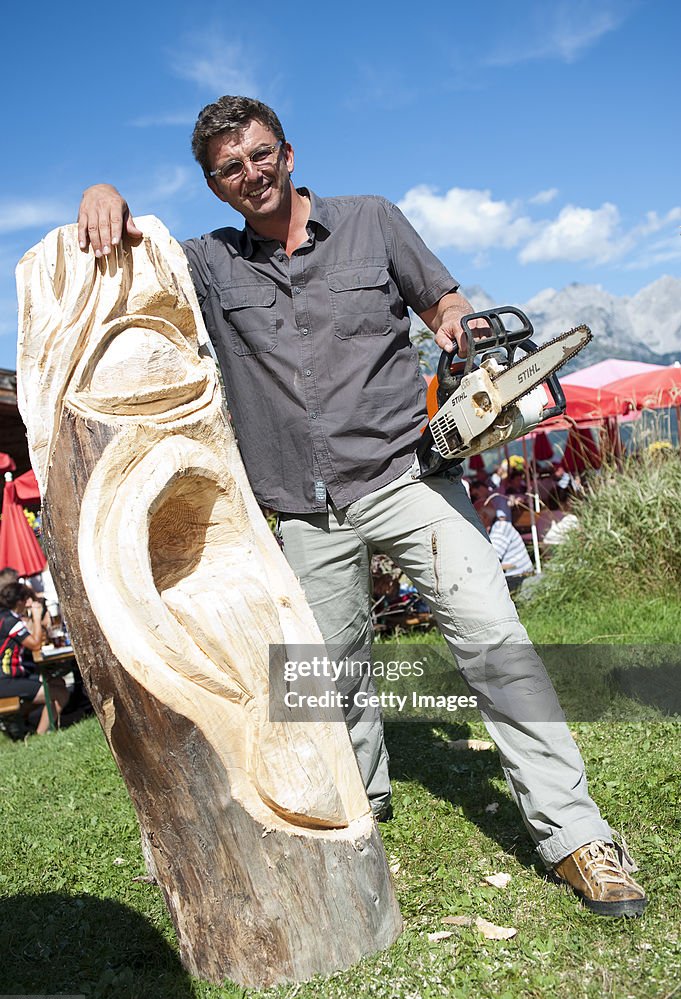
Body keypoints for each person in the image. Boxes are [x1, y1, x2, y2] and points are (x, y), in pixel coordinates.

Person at [76, 95, 646, 917]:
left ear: (290, 153)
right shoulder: (207, 262)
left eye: (262, 154)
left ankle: (575, 835)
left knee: (495, 643)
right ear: (213, 184)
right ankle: (357, 811)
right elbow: (136, 248)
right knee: (324, 681)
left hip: (405, 476)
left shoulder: (373, 220)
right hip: (303, 508)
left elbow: (442, 300)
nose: (251, 174)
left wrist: (456, 327)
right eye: (229, 167)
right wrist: (103, 192)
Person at [0, 582, 69, 734]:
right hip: (6, 680)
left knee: (58, 682)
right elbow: (36, 644)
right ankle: (42, 734)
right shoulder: (10, 622)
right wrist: (37, 617)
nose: (31, 602)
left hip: (10, 677)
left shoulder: (6, 617)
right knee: (60, 693)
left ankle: (20, 721)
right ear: (20, 601)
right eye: (28, 599)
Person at [475, 503, 533, 592]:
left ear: (485, 516)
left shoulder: (500, 529)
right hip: (514, 575)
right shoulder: (494, 528)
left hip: (519, 577)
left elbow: (492, 559)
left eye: (476, 517)